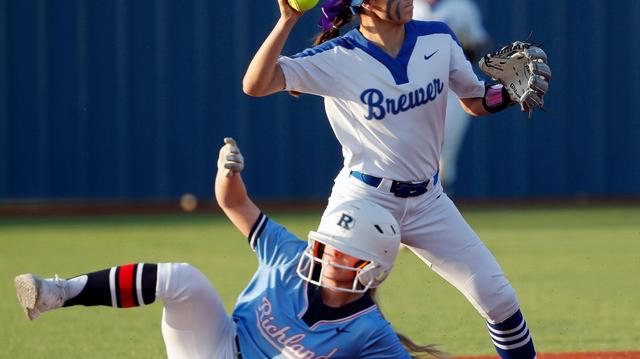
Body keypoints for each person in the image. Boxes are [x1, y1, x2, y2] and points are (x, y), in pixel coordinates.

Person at [242, 0, 545, 357]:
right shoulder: (340, 56)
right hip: (363, 201)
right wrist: (287, 21)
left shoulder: (437, 38)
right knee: (327, 305)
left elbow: (473, 99)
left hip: (428, 201)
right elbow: (256, 84)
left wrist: (506, 94)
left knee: (499, 299)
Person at [14, 138, 444, 359]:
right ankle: (59, 293)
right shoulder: (289, 256)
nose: (331, 256)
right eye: (330, 246)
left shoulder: (370, 332)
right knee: (184, 279)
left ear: (373, 268)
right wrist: (227, 172)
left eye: (344, 253)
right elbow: (234, 201)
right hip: (217, 347)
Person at [412, 0, 491, 191]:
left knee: (446, 148)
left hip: (452, 86)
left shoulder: (462, 7)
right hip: (414, 87)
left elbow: (480, 43)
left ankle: (440, 198)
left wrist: (465, 43)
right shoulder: (408, 6)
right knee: (414, 146)